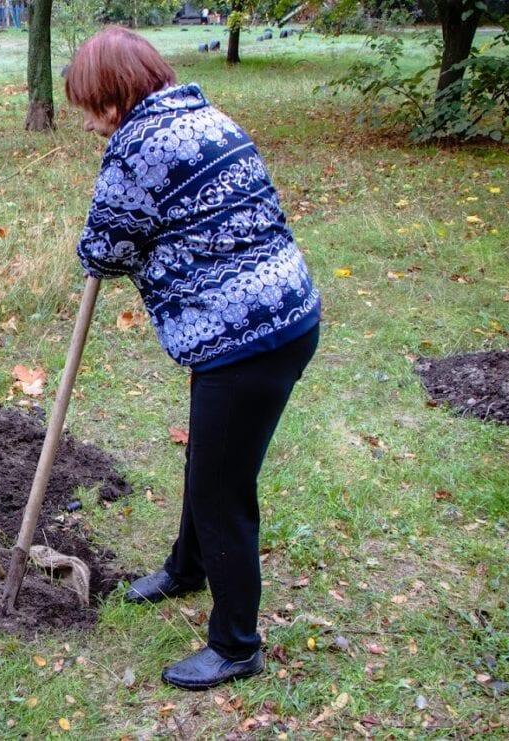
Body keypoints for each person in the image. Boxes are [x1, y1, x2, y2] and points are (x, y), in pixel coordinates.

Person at [65, 27, 320, 691]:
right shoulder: (202, 113)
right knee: (208, 457)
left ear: (114, 98)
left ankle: (237, 643)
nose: (90, 123)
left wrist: (111, 240)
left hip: (247, 337)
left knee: (221, 488)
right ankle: (187, 568)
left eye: (91, 107)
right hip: (283, 316)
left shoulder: (137, 145)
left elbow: (104, 249)